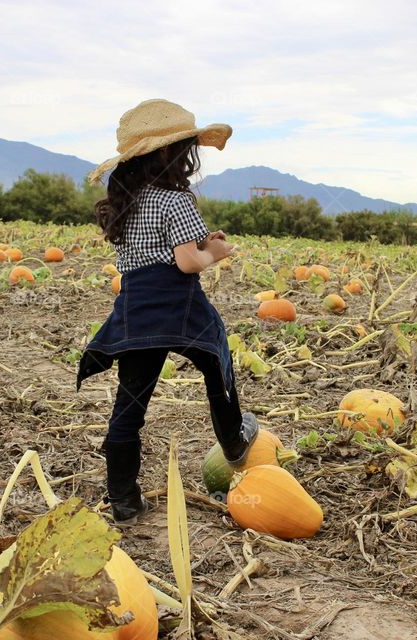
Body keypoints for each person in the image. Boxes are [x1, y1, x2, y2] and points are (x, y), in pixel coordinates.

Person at [77, 99, 259, 525]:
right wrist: (215, 250)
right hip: (179, 304)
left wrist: (199, 243)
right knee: (216, 360)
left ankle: (123, 500)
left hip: (137, 307)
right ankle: (233, 440)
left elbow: (159, 249)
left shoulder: (127, 200)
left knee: (130, 405)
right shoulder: (175, 199)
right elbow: (187, 262)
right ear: (170, 154)